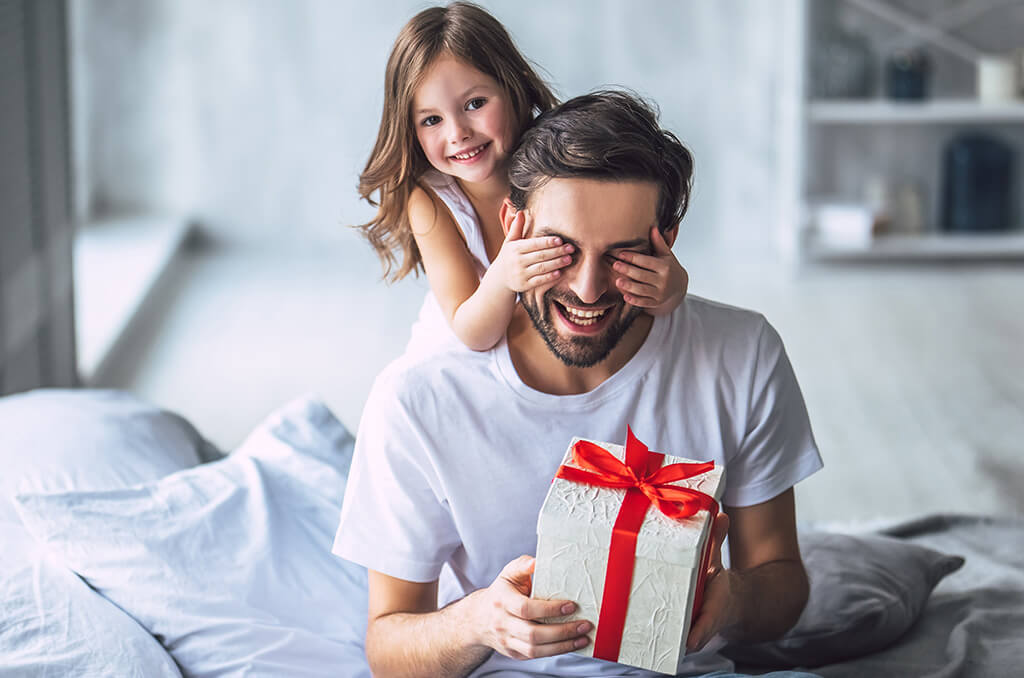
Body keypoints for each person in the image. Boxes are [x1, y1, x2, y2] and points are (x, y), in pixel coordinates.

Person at [334, 90, 825, 678]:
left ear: (664, 240)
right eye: (561, 250)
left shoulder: (742, 355)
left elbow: (782, 583)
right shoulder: (417, 399)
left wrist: (733, 605)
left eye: (621, 256)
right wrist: (478, 621)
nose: (588, 291)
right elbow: (388, 648)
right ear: (514, 224)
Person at [357, 2, 688, 355]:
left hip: (552, 344)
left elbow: (640, 295)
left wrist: (673, 286)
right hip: (470, 348)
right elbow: (473, 335)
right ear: (409, 129)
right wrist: (503, 276)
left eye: (475, 104)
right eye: (431, 120)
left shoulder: (558, 162)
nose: (458, 133)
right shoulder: (431, 201)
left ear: (515, 87)